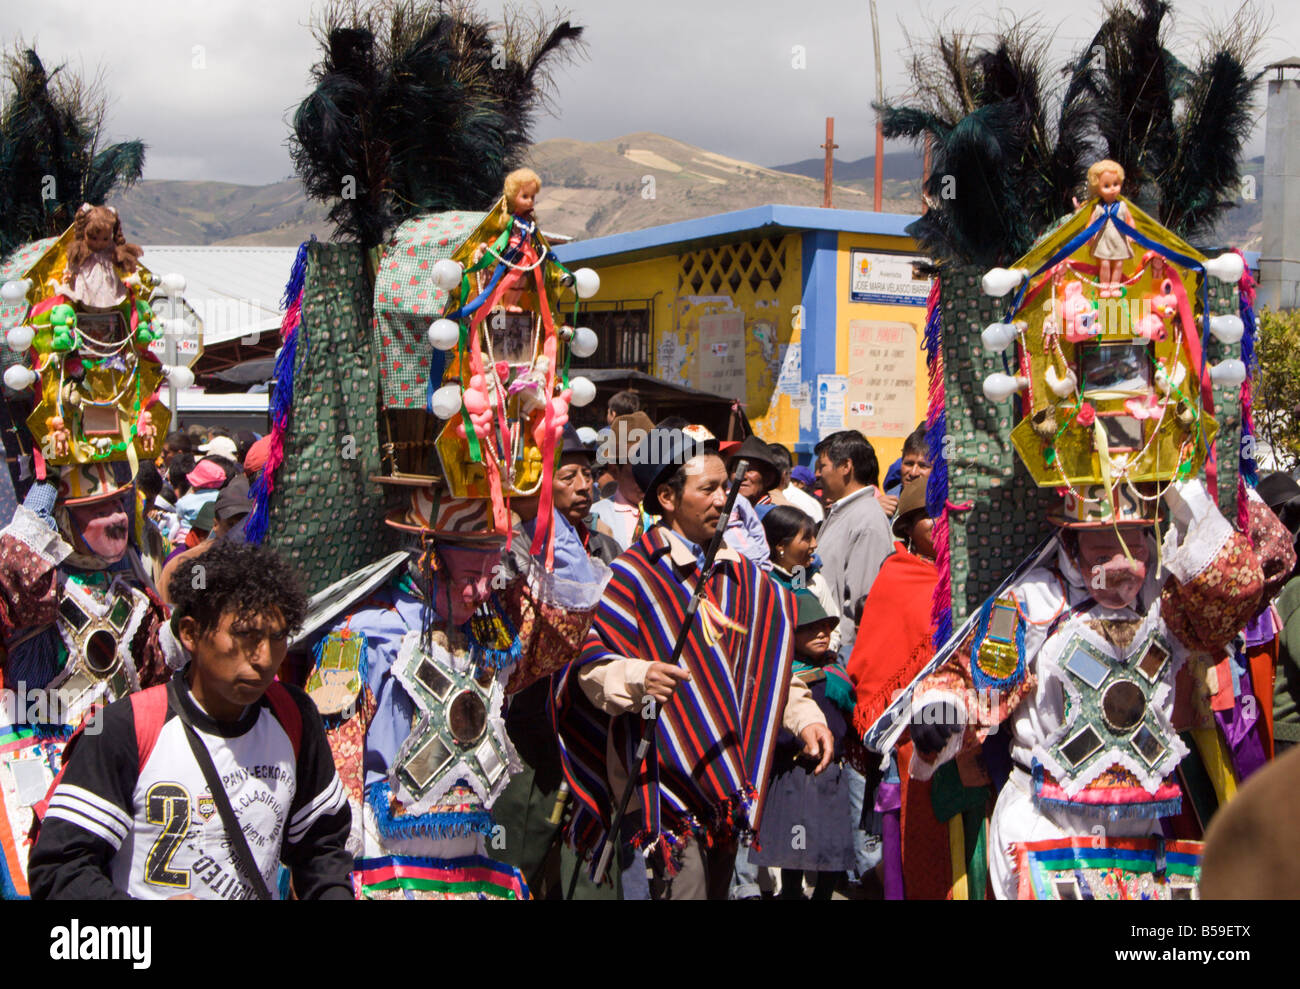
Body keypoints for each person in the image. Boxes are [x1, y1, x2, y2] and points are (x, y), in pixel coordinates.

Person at [908, 482, 1290, 898]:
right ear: (1071, 541)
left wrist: (1190, 488)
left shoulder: (1167, 601)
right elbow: (970, 677)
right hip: (1044, 829)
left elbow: (1260, 569)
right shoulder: (1031, 600)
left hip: (1138, 842)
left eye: (1135, 543)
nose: (1121, 562)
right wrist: (941, 708)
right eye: (1102, 548)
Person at [553, 430, 833, 899]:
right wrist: (640, 676)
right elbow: (591, 667)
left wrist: (804, 718)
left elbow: (768, 670)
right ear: (666, 497)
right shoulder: (634, 576)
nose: (724, 500)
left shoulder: (743, 576)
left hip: (728, 781)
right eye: (709, 489)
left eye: (727, 487)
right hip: (661, 788)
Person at [28, 540, 353, 900]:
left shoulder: (295, 719)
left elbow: (321, 850)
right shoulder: (126, 730)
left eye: (276, 637)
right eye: (245, 635)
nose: (263, 658)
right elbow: (60, 871)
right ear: (190, 633)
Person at [846, 480, 944, 899]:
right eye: (930, 514)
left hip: (961, 733)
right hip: (903, 734)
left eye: (948, 513)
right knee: (908, 836)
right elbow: (876, 656)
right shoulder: (899, 574)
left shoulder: (965, 576)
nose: (942, 522)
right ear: (907, 525)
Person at [812, 428, 895, 889]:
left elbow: (865, 602)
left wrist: (853, 672)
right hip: (836, 658)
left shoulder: (865, 519)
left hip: (849, 661)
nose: (819, 473)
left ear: (847, 466)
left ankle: (870, 871)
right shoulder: (847, 513)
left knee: (859, 769)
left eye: (824, 465)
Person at [753, 590, 856, 899]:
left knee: (832, 850)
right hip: (795, 774)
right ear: (791, 634)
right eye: (811, 628)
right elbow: (774, 727)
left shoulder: (836, 671)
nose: (821, 634)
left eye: (825, 627)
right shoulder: (783, 676)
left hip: (831, 776)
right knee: (793, 851)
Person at [763, 505, 841, 658]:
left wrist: (820, 653)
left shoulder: (812, 580)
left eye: (813, 537)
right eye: (806, 538)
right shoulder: (763, 583)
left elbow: (835, 632)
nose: (814, 544)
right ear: (781, 546)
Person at [590, 412, 654, 552]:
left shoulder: (672, 513)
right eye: (639, 470)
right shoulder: (596, 517)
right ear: (615, 471)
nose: (648, 478)